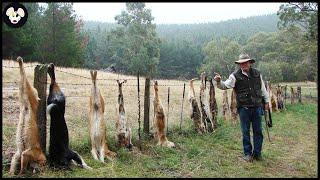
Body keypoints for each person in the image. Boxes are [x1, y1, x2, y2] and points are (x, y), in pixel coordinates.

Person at [214, 53, 269, 162]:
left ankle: (257, 154)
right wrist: (219, 81)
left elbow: (263, 89)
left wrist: (266, 101)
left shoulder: (257, 74)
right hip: (244, 108)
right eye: (241, 63)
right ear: (239, 64)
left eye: (245, 62)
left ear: (250, 63)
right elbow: (225, 86)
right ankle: (248, 154)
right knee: (245, 131)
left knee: (258, 131)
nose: (243, 65)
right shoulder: (234, 76)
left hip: (257, 107)